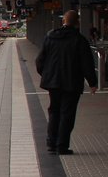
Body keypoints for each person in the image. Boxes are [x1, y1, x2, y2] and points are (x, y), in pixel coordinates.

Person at [36, 9, 97, 155]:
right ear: (77, 23)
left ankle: (51, 143)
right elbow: (87, 64)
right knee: (67, 113)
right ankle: (62, 146)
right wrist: (93, 83)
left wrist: (45, 74)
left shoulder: (50, 37)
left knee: (54, 111)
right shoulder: (80, 40)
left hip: (53, 82)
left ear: (63, 21)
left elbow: (39, 60)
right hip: (72, 83)